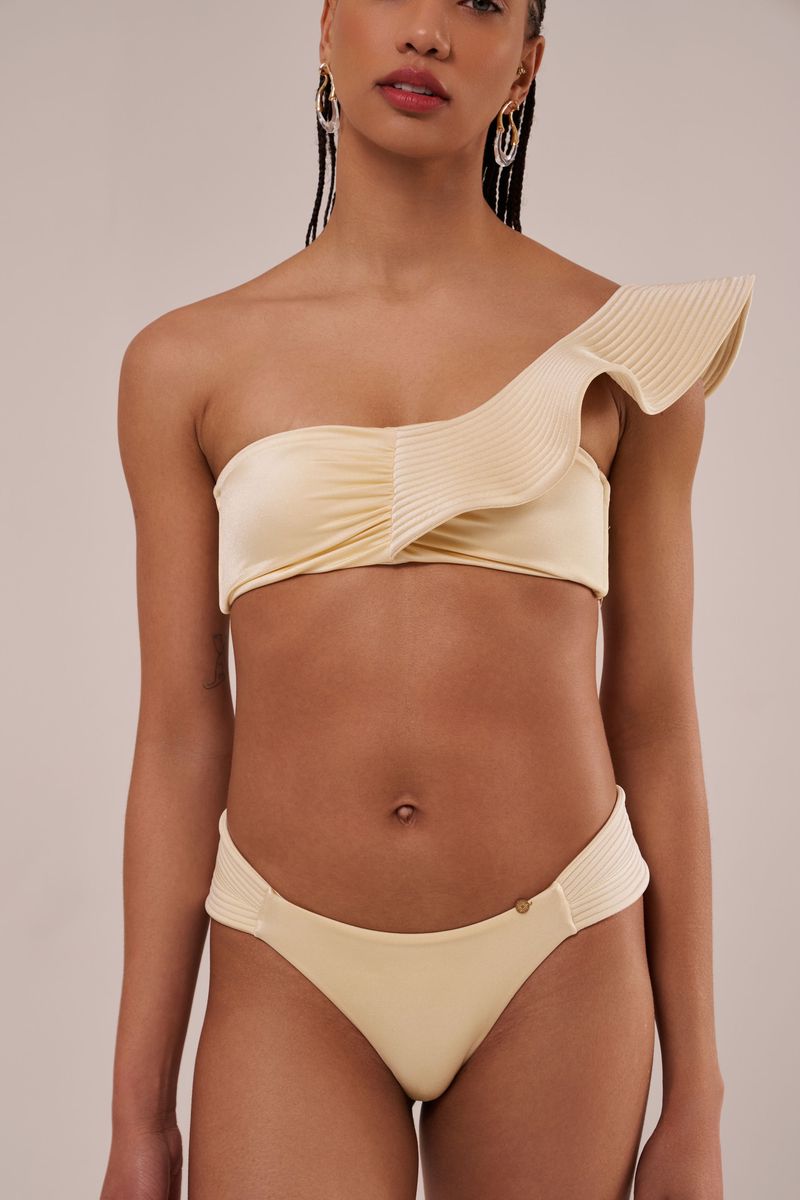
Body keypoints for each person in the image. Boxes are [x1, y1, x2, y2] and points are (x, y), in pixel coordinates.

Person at [101, 2, 755, 1197]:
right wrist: (139, 1118)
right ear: (325, 25)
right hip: (288, 960)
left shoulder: (625, 355)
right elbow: (182, 735)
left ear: (525, 67)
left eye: (480, 3)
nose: (427, 33)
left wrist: (697, 1098)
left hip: (557, 955)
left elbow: (655, 722)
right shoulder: (184, 365)